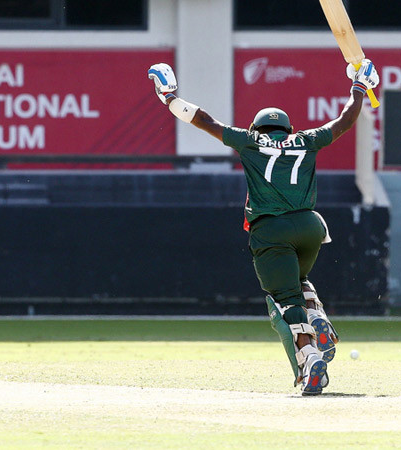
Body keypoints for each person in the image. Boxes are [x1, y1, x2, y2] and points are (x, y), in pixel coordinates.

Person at [148, 61, 379, 395]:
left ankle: (310, 357)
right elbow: (344, 121)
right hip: (311, 226)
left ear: (257, 128)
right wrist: (359, 88)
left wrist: (170, 98)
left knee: (284, 298)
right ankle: (317, 317)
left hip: (271, 230)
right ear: (289, 128)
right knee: (298, 281)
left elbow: (204, 120)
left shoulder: (249, 141)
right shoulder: (306, 140)